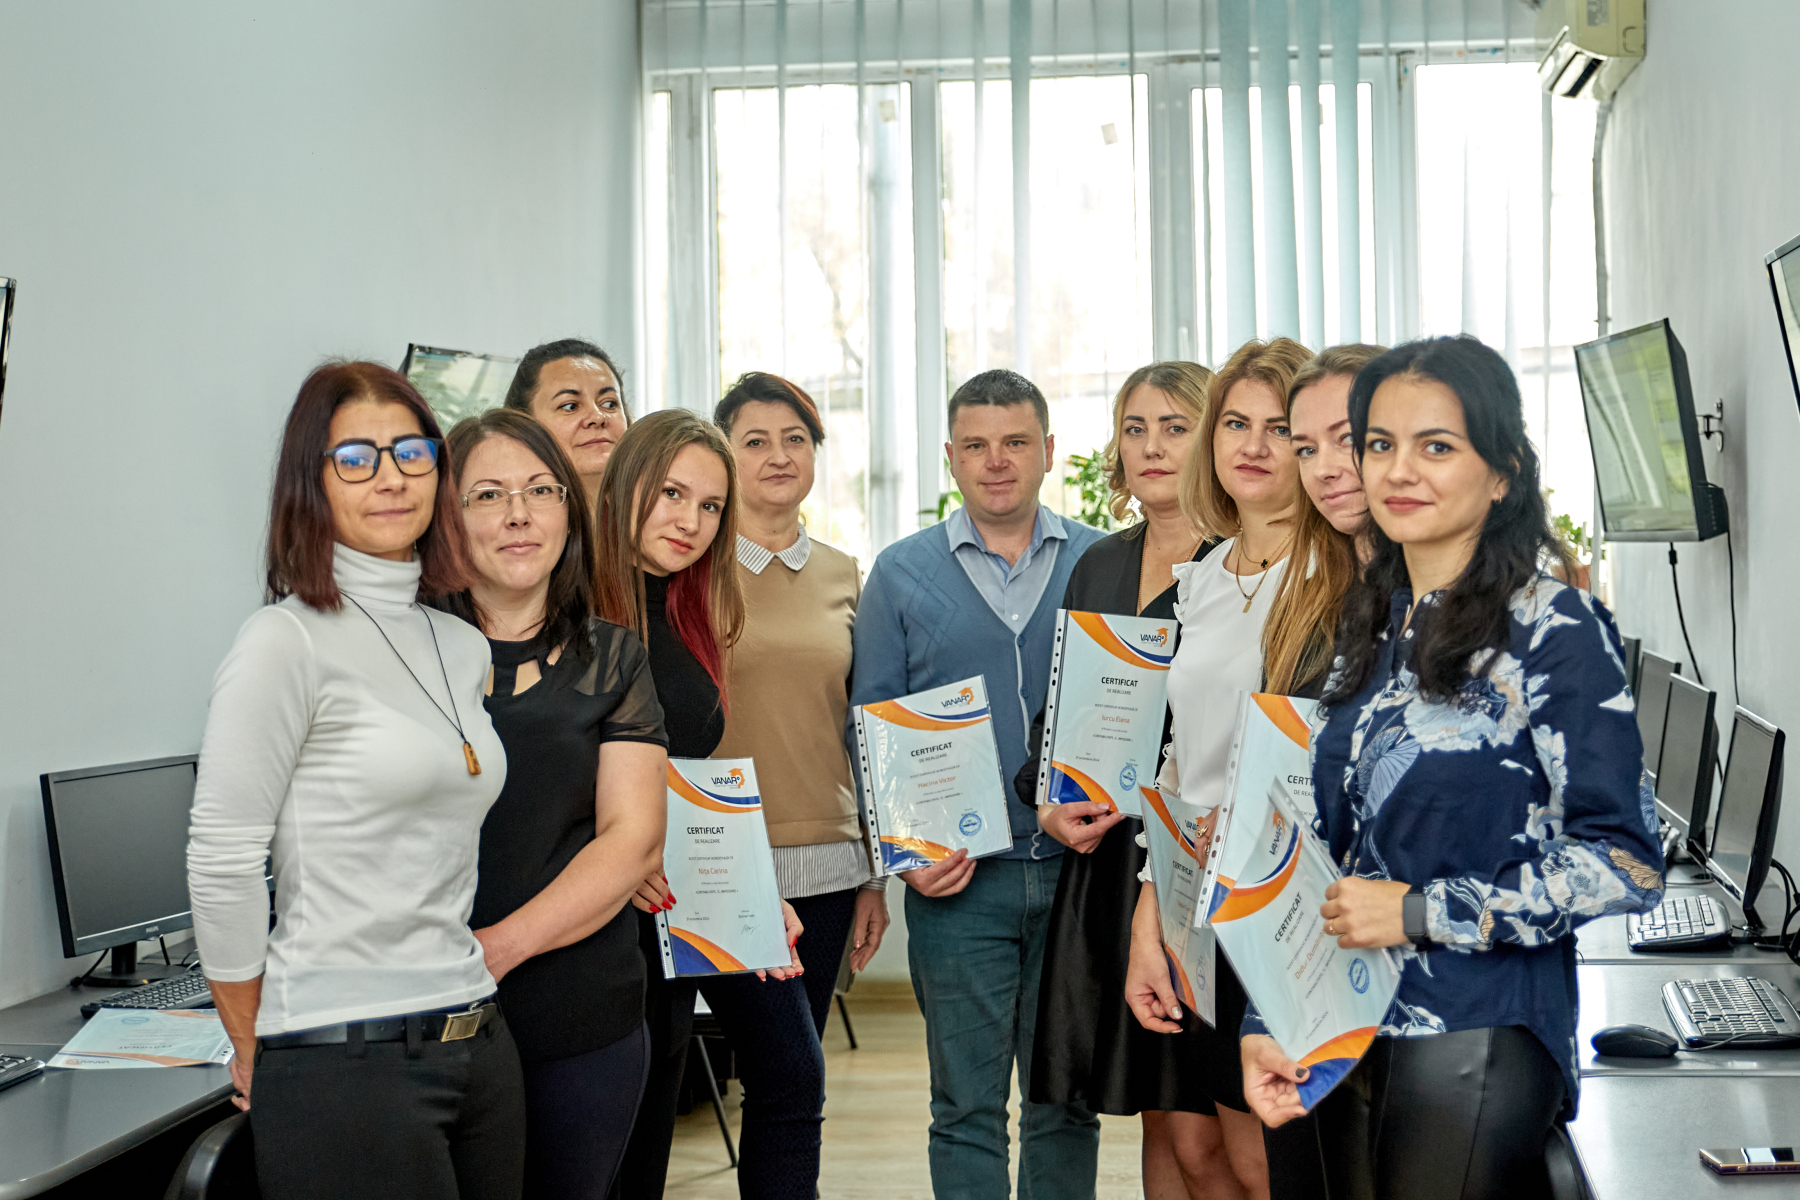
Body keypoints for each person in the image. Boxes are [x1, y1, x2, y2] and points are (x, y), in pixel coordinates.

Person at [1240, 337, 1665, 1199]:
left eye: (1436, 446)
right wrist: (1266, 1014)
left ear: (1502, 472)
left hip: (1475, 1030)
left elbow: (1624, 862)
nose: (1399, 470)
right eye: (1380, 444)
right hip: (1336, 1024)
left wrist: (1420, 910)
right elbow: (1322, 849)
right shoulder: (1373, 622)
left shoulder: (1554, 629)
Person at [187, 361, 523, 1200]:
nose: (391, 477)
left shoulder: (461, 645)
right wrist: (253, 1043)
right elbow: (223, 858)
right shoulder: (284, 640)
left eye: (411, 452)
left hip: (479, 1040)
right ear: (313, 481)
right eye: (356, 458)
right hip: (344, 1055)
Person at [851, 369, 1107, 1199]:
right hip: (959, 883)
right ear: (952, 457)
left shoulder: (1104, 561)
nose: (997, 461)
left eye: (1016, 442)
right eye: (977, 445)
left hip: (1080, 878)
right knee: (964, 1107)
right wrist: (905, 855)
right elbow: (871, 726)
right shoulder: (899, 573)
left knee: (1065, 1103)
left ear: (1049, 451)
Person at [1021, 361, 1245, 1200]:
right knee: (1155, 1107)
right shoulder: (1098, 563)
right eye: (1135, 428)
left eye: (1176, 427)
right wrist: (1047, 800)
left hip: (1199, 860)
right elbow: (1063, 707)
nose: (1152, 446)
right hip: (1110, 862)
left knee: (1209, 1132)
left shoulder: (1242, 563)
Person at [432, 408, 668, 1199]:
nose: (519, 514)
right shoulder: (399, 656)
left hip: (580, 1016)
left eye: (541, 490)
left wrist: (496, 950)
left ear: (569, 511)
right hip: (423, 1015)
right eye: (488, 494)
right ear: (447, 518)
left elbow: (632, 840)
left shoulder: (615, 658)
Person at [596, 410, 808, 1200]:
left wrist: (748, 883)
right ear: (626, 486)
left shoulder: (688, 610)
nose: (691, 521)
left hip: (679, 901)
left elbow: (687, 775)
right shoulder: (572, 608)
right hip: (600, 920)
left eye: (711, 505)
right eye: (672, 494)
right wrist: (619, 852)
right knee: (615, 1146)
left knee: (779, 1073)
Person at [1122, 338, 1314, 1200]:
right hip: (1191, 898)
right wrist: (1150, 914)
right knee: (1208, 1157)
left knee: (1263, 1165)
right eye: (1236, 423)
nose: (1254, 445)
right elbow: (1180, 753)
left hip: (1277, 904)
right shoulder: (1204, 571)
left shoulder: (1332, 575)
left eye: (1280, 427)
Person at [713, 371, 890, 1025]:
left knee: (801, 1061)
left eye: (795, 439)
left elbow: (862, 729)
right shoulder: (691, 570)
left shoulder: (844, 573)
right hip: (725, 855)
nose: (779, 456)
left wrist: (874, 877)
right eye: (755, 441)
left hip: (831, 862)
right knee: (784, 1063)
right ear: (724, 457)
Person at [504, 338, 631, 509]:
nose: (598, 417)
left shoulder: (656, 514)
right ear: (523, 426)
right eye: (570, 406)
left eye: (609, 403)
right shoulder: (512, 520)